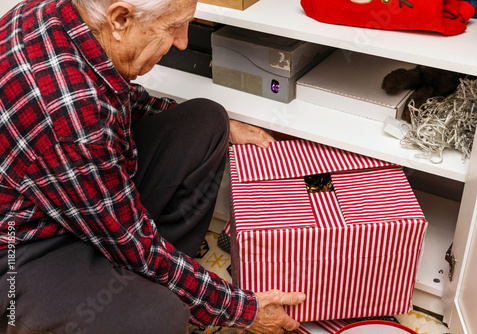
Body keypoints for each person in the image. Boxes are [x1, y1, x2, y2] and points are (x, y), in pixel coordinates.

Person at [0, 0, 306, 333]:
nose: (183, 42)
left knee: (208, 120)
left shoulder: (57, 14)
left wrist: (227, 126)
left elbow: (120, 97)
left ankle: (152, 282)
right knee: (158, 316)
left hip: (76, 200)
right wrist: (242, 311)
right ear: (120, 19)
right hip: (20, 248)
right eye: (172, 27)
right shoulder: (71, 119)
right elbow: (132, 244)